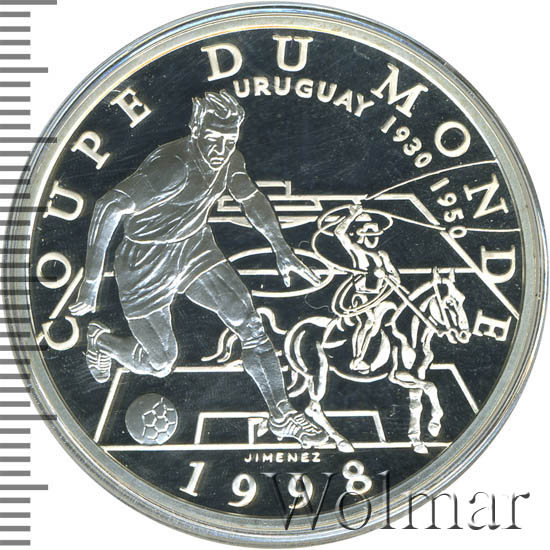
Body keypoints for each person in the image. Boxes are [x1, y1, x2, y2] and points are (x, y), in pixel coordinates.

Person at [69, 90, 327, 448]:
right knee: (161, 363)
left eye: (229, 139)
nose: (221, 148)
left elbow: (251, 198)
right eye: (213, 138)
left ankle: (282, 416)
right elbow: (108, 207)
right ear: (195, 129)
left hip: (194, 247)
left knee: (251, 325)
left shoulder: (229, 160)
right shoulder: (173, 167)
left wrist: (281, 248)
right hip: (146, 261)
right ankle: (103, 342)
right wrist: (91, 283)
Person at [333, 203, 400, 374]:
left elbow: (396, 278)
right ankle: (357, 357)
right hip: (361, 295)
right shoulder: (356, 250)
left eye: (375, 234)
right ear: (360, 234)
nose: (372, 238)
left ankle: (361, 356)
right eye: (368, 233)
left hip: (377, 296)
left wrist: (387, 275)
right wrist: (352, 215)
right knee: (367, 322)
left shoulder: (382, 255)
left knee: (374, 327)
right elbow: (339, 233)